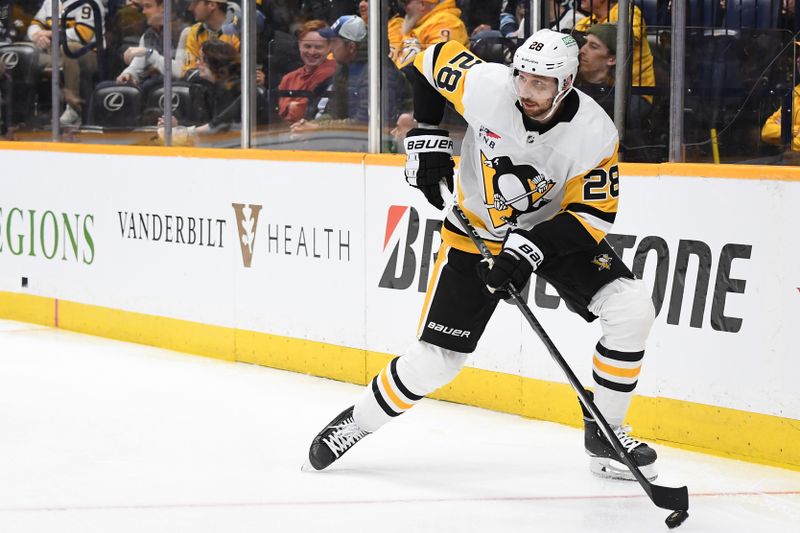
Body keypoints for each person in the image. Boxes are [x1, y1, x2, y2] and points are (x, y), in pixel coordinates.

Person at [305, 28, 659, 483]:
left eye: (540, 83)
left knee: (631, 310)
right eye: (522, 77)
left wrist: (528, 250)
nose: (526, 91)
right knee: (435, 362)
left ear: (566, 83)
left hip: (551, 234)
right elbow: (427, 62)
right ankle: (357, 421)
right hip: (478, 236)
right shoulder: (489, 87)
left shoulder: (594, 133)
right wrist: (427, 137)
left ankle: (606, 435)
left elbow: (590, 214)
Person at [27, 0, 107, 127]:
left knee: (68, 48)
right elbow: (34, 24)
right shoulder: (50, 2)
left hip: (89, 54)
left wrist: (50, 34)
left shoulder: (90, 2)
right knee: (25, 53)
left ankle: (74, 109)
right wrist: (38, 36)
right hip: (55, 53)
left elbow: (83, 34)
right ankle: (20, 111)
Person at [290, 14, 368, 133]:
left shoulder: (378, 73)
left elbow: (363, 124)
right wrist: (307, 126)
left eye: (334, 42)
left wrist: (317, 129)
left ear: (351, 47)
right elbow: (333, 112)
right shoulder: (342, 69)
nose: (330, 48)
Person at [573, 0, 655, 107]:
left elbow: (629, 37)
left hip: (635, 91)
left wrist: (601, 33)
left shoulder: (627, 12)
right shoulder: (584, 22)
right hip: (598, 88)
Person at [116, 0, 187, 89]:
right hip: (154, 89)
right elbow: (137, 65)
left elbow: (180, 72)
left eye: (148, 6)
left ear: (163, 8)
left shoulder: (184, 33)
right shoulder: (147, 36)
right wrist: (128, 74)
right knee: (107, 87)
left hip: (176, 90)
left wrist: (149, 53)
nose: (143, 12)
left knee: (149, 85)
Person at [276, 19, 336, 124]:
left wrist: (293, 107)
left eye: (318, 47)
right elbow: (280, 112)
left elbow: (303, 111)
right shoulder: (289, 78)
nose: (312, 52)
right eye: (307, 46)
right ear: (299, 45)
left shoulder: (333, 72)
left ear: (329, 47)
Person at [391, 0, 468, 69]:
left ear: (422, 4)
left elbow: (438, 63)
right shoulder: (415, 25)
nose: (404, 8)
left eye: (406, 2)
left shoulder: (445, 22)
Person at [182, 0, 240, 77]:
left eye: (196, 3)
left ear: (212, 5)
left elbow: (241, 71)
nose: (190, 8)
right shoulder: (195, 31)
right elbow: (189, 71)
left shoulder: (237, 32)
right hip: (204, 86)